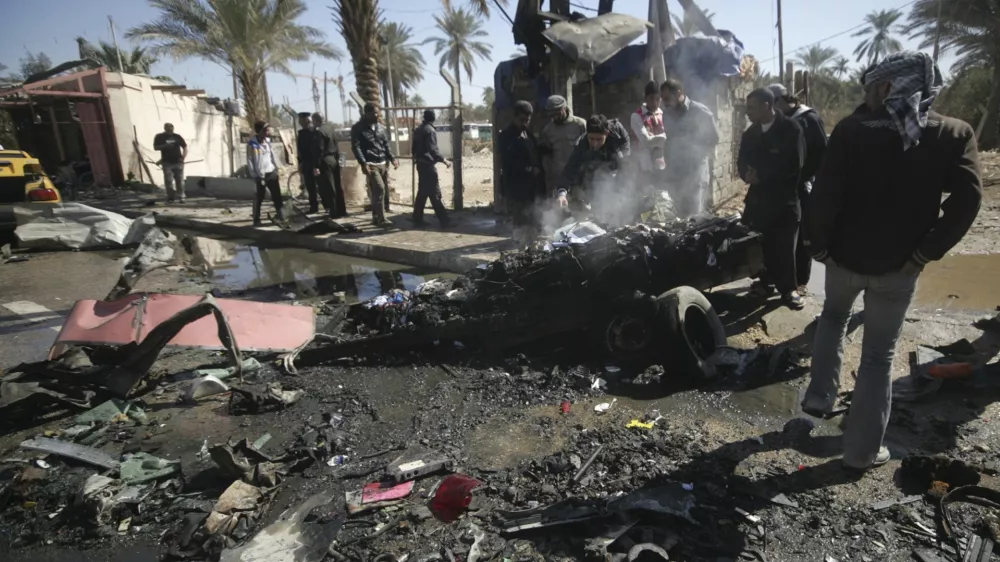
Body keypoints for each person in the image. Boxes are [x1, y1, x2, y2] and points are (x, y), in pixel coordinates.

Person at [802, 52, 982, 470]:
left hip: (843, 262)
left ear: (887, 87)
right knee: (877, 357)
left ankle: (819, 398)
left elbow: (825, 193)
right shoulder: (953, 133)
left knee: (833, 319)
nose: (866, 94)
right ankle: (862, 453)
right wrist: (925, 252)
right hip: (899, 268)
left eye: (871, 86)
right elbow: (968, 200)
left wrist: (818, 246)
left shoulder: (851, 128)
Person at [737, 87, 805, 310]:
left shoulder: (791, 129)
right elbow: (742, 161)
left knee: (784, 247)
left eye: (751, 108)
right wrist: (746, 174)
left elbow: (794, 165)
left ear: (767, 106)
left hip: (783, 200)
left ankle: (788, 290)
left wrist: (763, 176)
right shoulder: (750, 134)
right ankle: (764, 285)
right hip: (758, 201)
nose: (747, 112)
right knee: (759, 246)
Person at [768, 83, 828, 293]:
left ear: (781, 101)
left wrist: (804, 177)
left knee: (802, 234)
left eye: (773, 104)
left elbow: (821, 154)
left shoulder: (808, 119)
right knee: (776, 234)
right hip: (777, 186)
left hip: (801, 184)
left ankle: (800, 280)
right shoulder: (777, 122)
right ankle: (773, 278)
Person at [555, 114, 630, 223]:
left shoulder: (618, 131)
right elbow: (570, 169)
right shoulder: (582, 144)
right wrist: (561, 194)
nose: (595, 143)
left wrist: (623, 162)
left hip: (613, 158)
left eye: (599, 139)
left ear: (607, 133)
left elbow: (626, 151)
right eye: (591, 139)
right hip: (593, 168)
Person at [660, 79, 718, 217]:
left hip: (695, 174)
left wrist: (694, 155)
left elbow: (713, 139)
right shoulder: (666, 114)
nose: (665, 102)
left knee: (693, 216)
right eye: (663, 99)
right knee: (677, 217)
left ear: (679, 93)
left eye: (667, 98)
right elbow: (668, 140)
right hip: (675, 175)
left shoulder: (700, 112)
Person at [498, 101, 545, 244]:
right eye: (522, 120)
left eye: (527, 120)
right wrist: (530, 169)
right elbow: (509, 163)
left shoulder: (528, 135)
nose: (525, 123)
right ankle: (519, 252)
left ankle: (531, 249)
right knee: (520, 225)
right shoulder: (506, 137)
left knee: (534, 224)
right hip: (517, 191)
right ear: (515, 117)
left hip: (532, 190)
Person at [351, 103, 397, 226]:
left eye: (378, 112)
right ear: (367, 113)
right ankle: (381, 219)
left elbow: (386, 144)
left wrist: (392, 158)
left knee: (378, 191)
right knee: (380, 188)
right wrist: (363, 162)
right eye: (374, 113)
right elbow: (356, 147)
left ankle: (376, 217)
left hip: (382, 162)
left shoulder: (381, 128)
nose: (377, 115)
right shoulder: (358, 128)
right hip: (370, 163)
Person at [538, 95, 586, 197]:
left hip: (579, 180)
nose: (554, 117)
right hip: (559, 181)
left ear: (564, 108)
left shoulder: (580, 125)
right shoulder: (548, 131)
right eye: (552, 115)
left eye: (557, 113)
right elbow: (547, 160)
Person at [412, 109, 451, 228]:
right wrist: (444, 160)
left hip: (420, 163)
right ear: (433, 118)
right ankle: (444, 221)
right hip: (428, 165)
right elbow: (433, 149)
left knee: (422, 193)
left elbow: (413, 148)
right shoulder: (430, 130)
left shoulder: (418, 129)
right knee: (435, 193)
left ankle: (417, 218)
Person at [247, 120, 283, 226]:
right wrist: (255, 175)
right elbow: (250, 161)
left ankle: (281, 215)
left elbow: (272, 156)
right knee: (259, 197)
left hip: (271, 172)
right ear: (260, 131)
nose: (268, 132)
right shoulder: (252, 144)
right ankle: (256, 218)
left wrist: (276, 169)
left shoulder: (267, 141)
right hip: (260, 175)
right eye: (266, 130)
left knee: (277, 195)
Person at [630, 80, 667, 175]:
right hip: (644, 166)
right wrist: (668, 138)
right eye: (651, 98)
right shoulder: (636, 116)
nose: (654, 103)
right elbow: (646, 141)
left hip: (663, 165)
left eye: (658, 99)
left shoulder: (664, 114)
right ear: (645, 98)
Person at [313, 112, 345, 218]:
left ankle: (334, 211)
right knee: (337, 185)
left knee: (329, 187)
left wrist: (316, 166)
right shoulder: (331, 129)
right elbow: (336, 145)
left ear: (315, 120)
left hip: (325, 160)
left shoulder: (319, 131)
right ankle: (342, 210)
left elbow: (319, 150)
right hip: (334, 158)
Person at [153, 123, 188, 203]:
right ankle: (170, 197)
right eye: (168, 130)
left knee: (180, 180)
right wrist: (165, 146)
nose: (170, 131)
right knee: (168, 181)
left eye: (171, 129)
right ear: (165, 129)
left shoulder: (177, 137)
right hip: (166, 162)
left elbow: (185, 147)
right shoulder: (160, 137)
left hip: (178, 162)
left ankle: (181, 196)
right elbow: (155, 147)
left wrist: (183, 157)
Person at [296, 112, 322, 213]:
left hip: (316, 162)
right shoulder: (301, 133)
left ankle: (327, 206)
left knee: (321, 185)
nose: (300, 122)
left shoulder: (315, 132)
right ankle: (314, 207)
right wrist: (300, 162)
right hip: (306, 163)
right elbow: (300, 150)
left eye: (302, 120)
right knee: (310, 186)